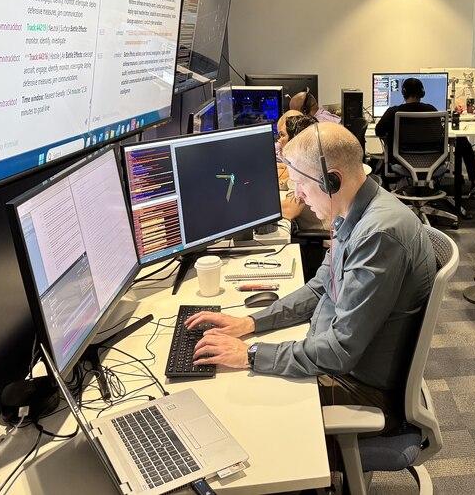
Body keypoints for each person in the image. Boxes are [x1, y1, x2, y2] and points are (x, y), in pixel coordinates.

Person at [186, 122, 437, 432]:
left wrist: (251, 354)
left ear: (332, 181)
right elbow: (320, 288)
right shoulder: (355, 212)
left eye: (300, 185)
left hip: (361, 391)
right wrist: (252, 323)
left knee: (234, 410)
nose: (298, 196)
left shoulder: (378, 235)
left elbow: (339, 351)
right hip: (339, 362)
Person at [275, 111, 323, 230]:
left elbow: (290, 210)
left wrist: (256, 208)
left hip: (319, 238)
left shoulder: (303, 169)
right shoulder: (310, 158)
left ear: (295, 138)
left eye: (282, 135)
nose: (279, 141)